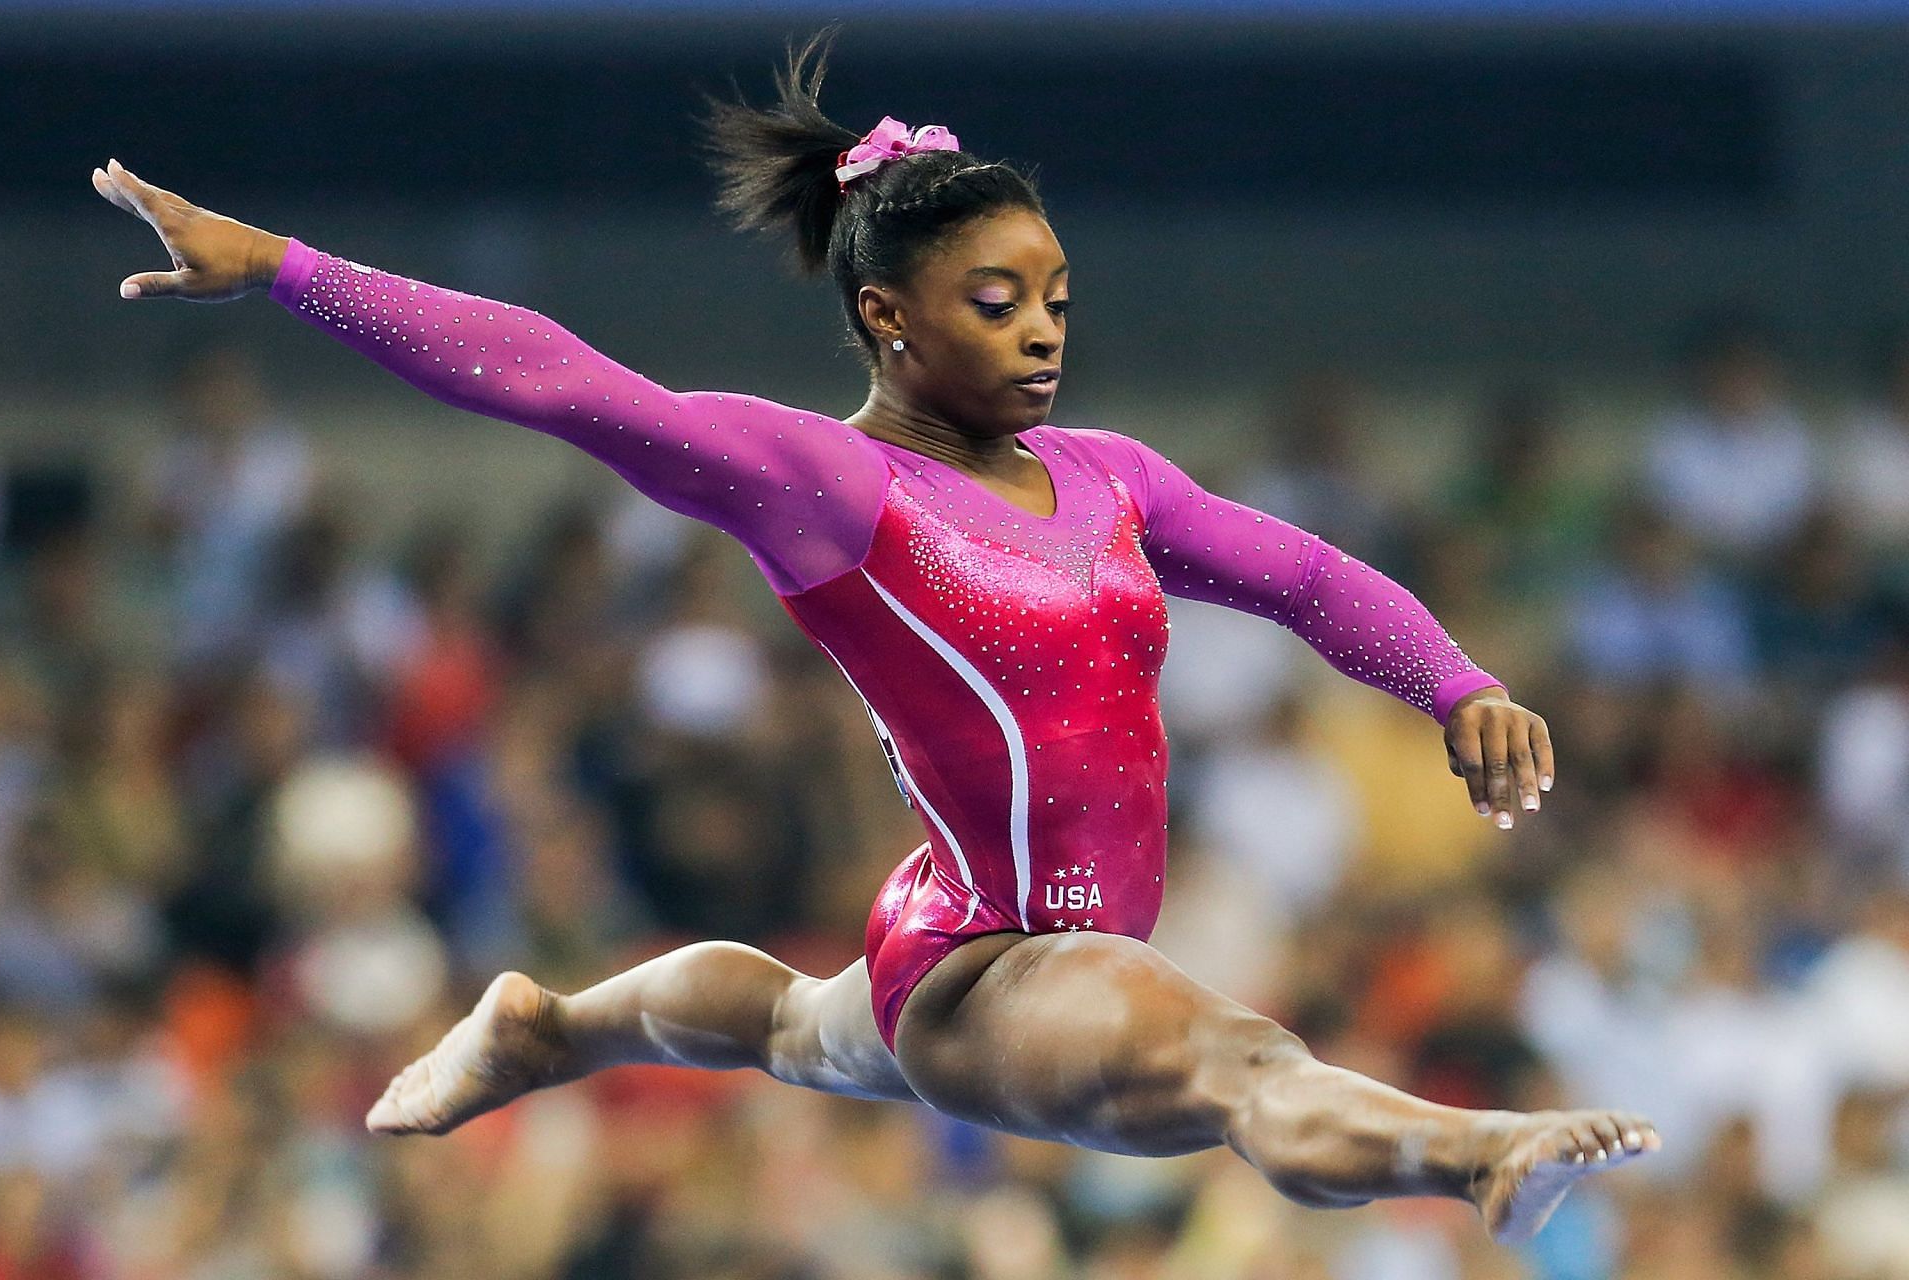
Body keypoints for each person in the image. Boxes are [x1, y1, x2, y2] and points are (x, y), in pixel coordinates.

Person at [90, 38, 1658, 1244]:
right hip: (1004, 961)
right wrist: (288, 270)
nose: (1044, 328)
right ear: (890, 320)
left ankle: (547, 1022)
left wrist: (1453, 681)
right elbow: (559, 381)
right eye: (996, 300)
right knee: (1240, 1068)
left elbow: (1308, 575)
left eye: (1054, 294)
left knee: (787, 1022)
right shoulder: (835, 484)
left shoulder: (1111, 477)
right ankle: (1481, 1153)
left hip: (958, 916)